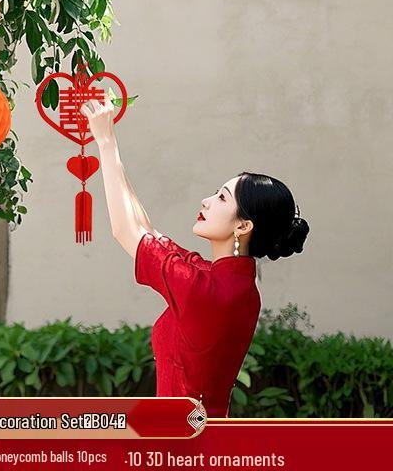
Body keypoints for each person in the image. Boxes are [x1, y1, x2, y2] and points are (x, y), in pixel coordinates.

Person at [80, 98, 310, 417]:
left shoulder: (203, 289)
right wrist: (112, 146)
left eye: (221, 198)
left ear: (243, 225)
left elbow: (125, 231)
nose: (206, 201)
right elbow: (146, 229)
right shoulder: (235, 286)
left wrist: (104, 142)